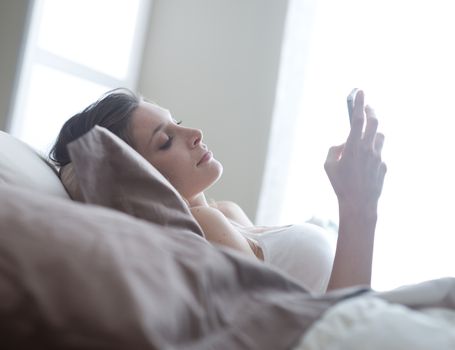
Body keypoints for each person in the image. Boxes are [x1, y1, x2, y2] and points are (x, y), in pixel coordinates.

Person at [49, 88, 386, 293]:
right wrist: (359, 206)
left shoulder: (226, 212)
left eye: (177, 124)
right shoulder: (206, 225)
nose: (194, 133)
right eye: (166, 141)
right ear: (141, 175)